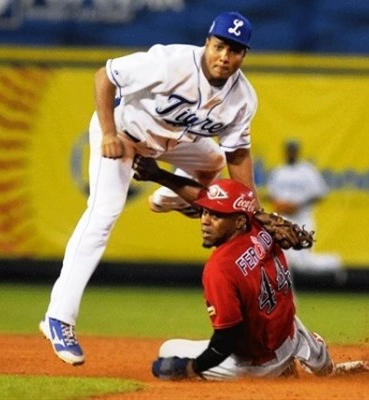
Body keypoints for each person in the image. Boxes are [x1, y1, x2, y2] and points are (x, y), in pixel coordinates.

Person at [39, 11, 261, 366]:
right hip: (125, 135)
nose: (224, 56)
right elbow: (104, 75)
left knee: (213, 161)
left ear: (244, 55)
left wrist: (253, 208)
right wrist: (109, 133)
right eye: (219, 46)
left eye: (235, 51)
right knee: (103, 215)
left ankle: (169, 196)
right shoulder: (169, 63)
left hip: (170, 144)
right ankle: (58, 317)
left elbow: (237, 152)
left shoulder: (243, 97)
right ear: (207, 42)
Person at [130, 155, 367, 380]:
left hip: (258, 365)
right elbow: (201, 195)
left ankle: (280, 374)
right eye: (205, 212)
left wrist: (190, 368)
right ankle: (318, 360)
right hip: (292, 336)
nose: (204, 220)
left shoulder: (220, 268)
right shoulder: (260, 226)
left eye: (216, 215)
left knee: (167, 350)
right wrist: (159, 175)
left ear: (239, 220)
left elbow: (226, 340)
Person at [266, 139, 344, 278]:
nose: (291, 152)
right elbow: (271, 195)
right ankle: (282, 291)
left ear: (297, 151)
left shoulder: (307, 170)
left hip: (303, 218)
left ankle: (334, 262)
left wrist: (299, 205)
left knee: (304, 263)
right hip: (284, 219)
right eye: (289, 149)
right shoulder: (279, 171)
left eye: (293, 149)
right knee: (283, 258)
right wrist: (279, 204)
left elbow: (321, 193)